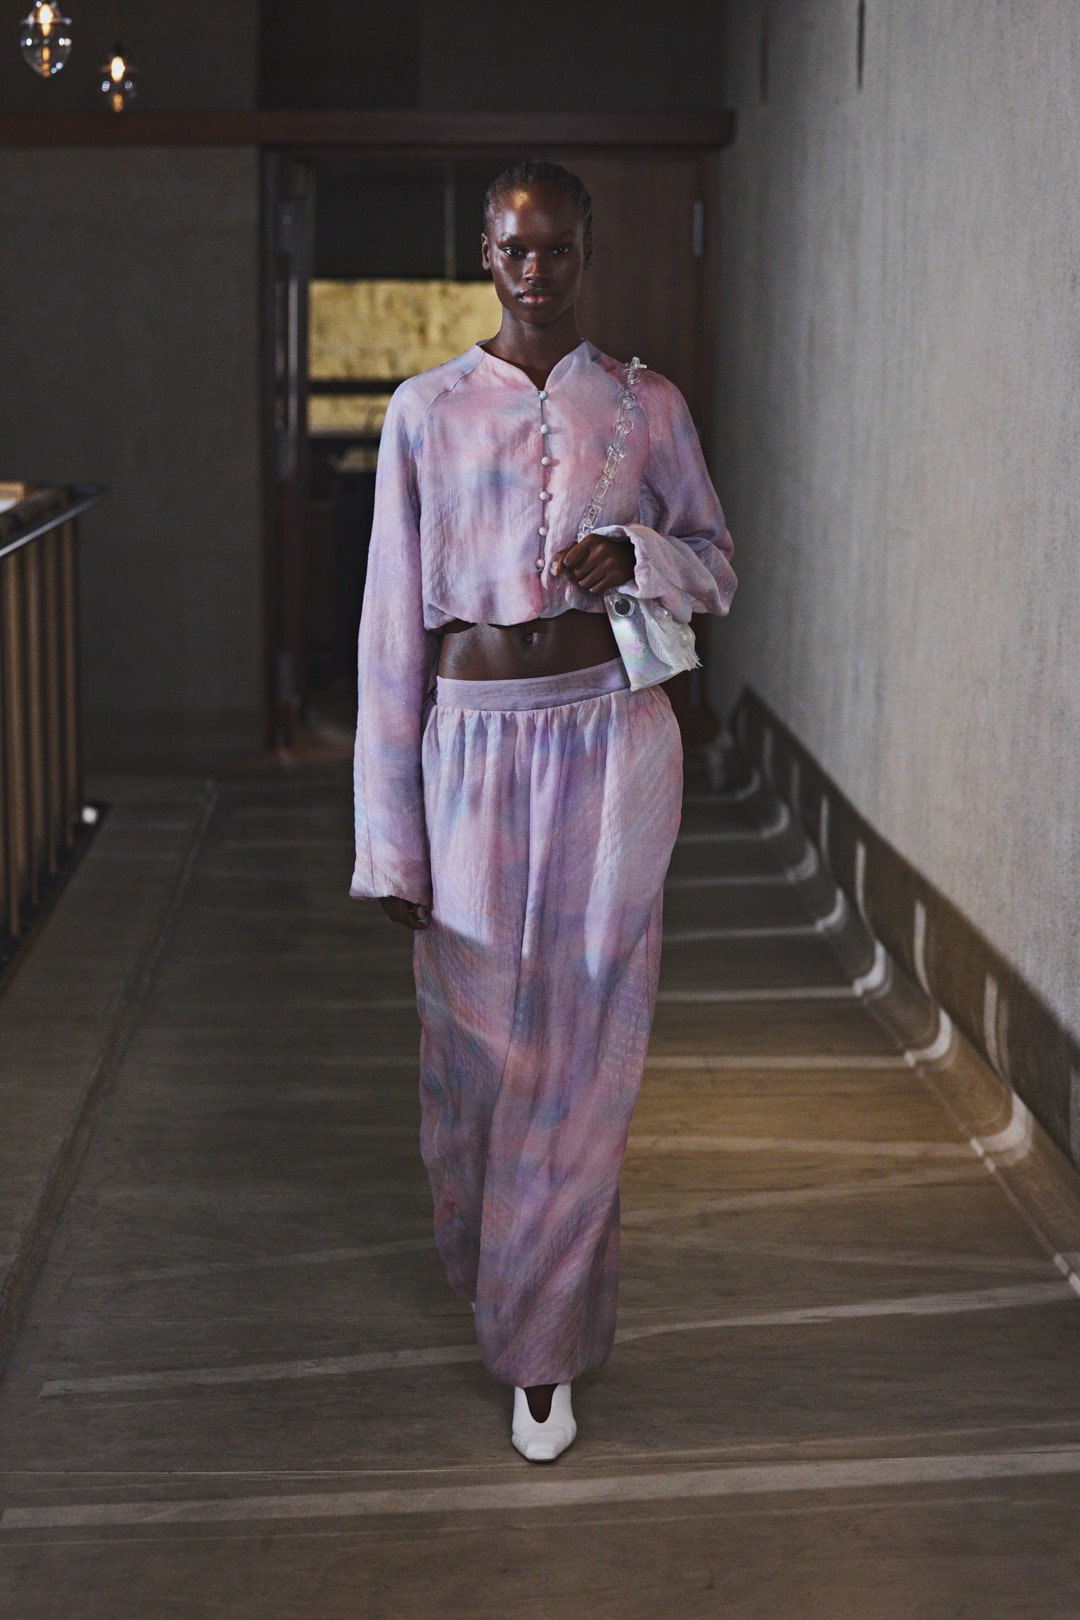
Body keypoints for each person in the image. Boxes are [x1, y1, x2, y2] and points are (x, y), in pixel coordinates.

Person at [351, 160, 736, 1462]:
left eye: (556, 249)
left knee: (582, 1051)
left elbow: (717, 565)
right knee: (476, 1061)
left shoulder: (644, 405)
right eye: (515, 250)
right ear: (485, 253)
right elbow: (388, 637)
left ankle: (541, 1355)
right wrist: (390, 842)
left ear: (583, 252)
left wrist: (637, 554)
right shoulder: (424, 412)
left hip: (612, 741)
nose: (535, 271)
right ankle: (504, 1268)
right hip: (467, 754)